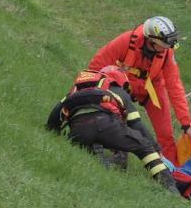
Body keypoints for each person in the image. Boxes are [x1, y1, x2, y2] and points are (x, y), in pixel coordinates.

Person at [46, 65, 178, 191]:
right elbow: (137, 125)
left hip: (78, 129)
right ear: (121, 81)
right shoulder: (117, 90)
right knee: (144, 146)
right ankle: (170, 186)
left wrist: (52, 131)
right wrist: (157, 151)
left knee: (95, 140)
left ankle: (100, 157)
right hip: (106, 123)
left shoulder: (78, 90)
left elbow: (56, 112)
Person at [88, 16, 191, 164]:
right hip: (123, 86)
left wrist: (186, 122)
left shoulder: (166, 53)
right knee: (117, 121)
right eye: (165, 44)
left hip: (152, 89)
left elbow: (175, 86)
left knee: (166, 134)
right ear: (152, 40)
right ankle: (116, 153)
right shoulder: (126, 41)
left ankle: (173, 171)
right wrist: (89, 92)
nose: (168, 48)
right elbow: (96, 66)